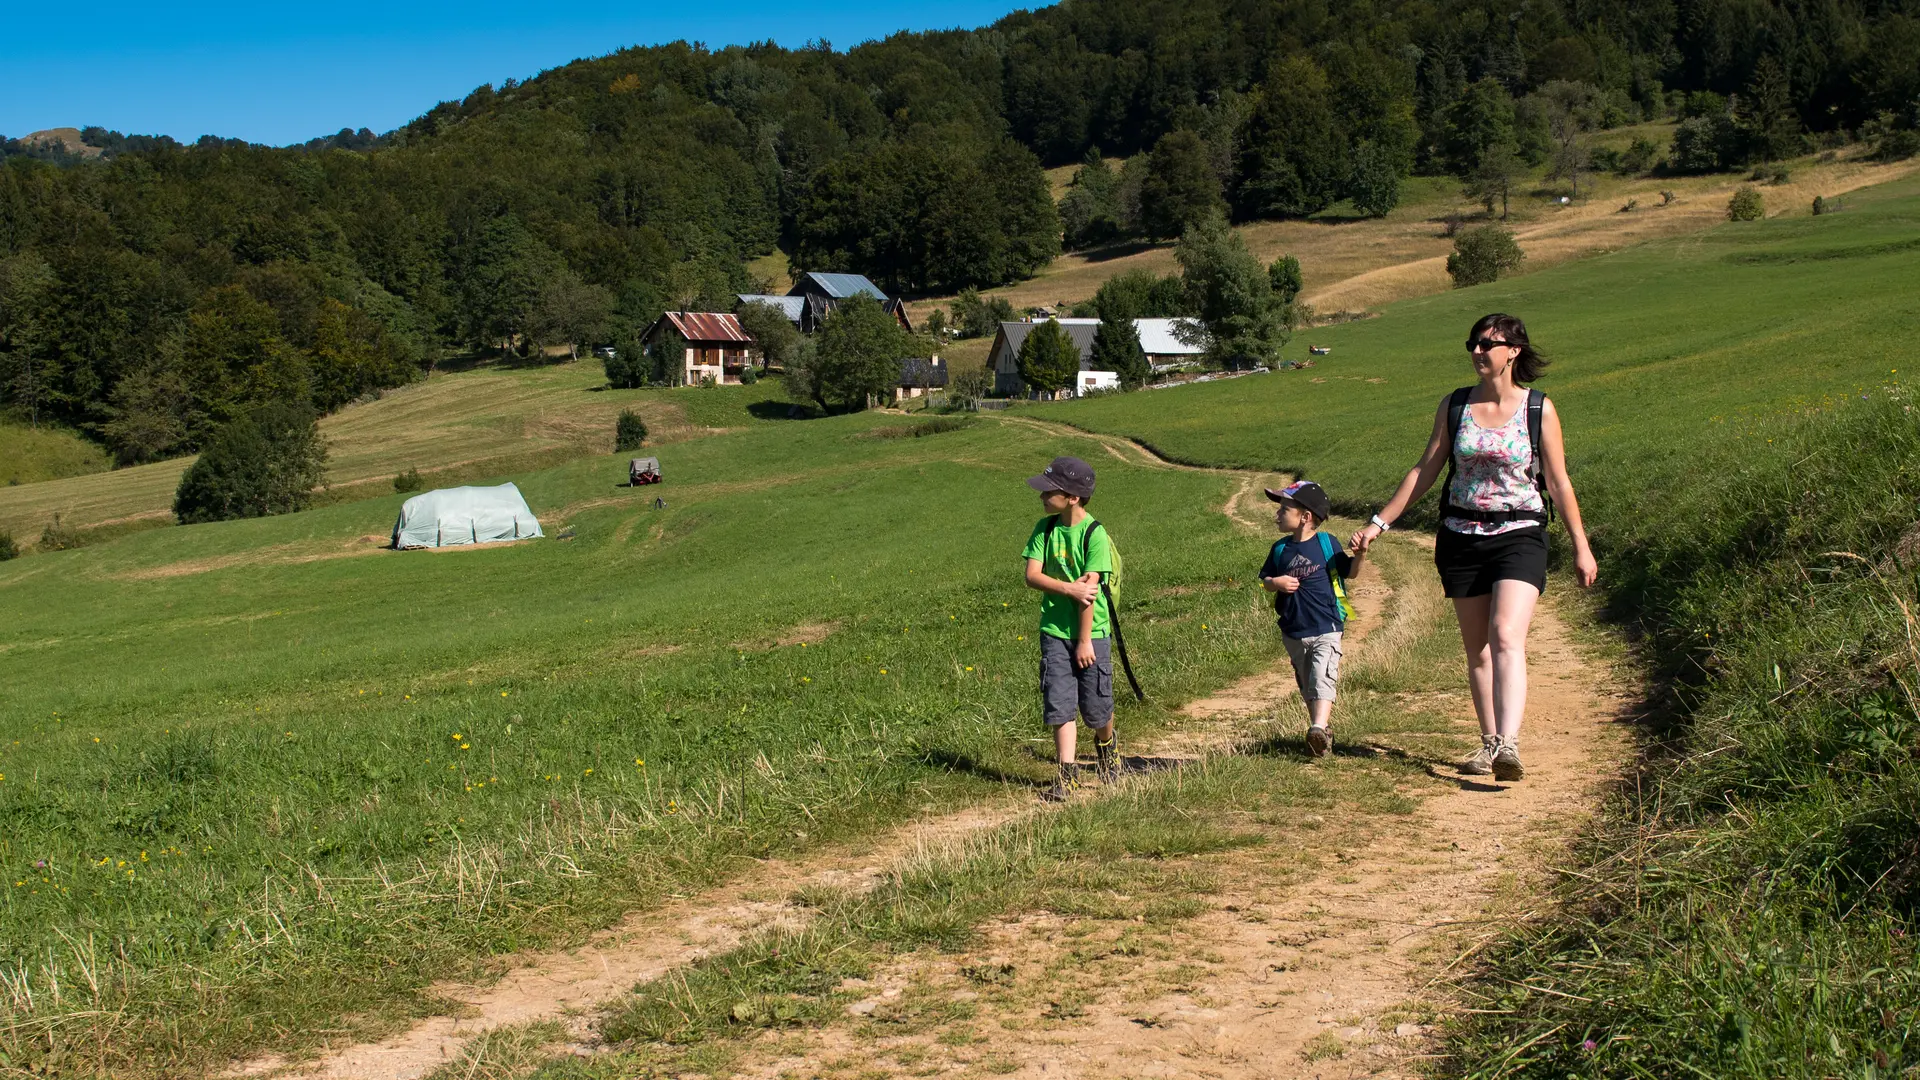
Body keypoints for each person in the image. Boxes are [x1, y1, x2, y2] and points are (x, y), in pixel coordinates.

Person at [1349, 314, 1597, 782]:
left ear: (1514, 351)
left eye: (1488, 343)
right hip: (1461, 536)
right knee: (1478, 649)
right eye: (1473, 344)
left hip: (1520, 533)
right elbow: (1424, 470)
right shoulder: (1456, 405)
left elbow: (1559, 482)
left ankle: (1509, 743)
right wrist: (1379, 523)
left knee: (1505, 634)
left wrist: (1581, 546)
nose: (1478, 351)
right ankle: (1489, 743)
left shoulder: (1538, 409)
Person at [1021, 455, 1119, 801]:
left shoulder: (1094, 534)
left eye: (1050, 491)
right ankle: (1068, 774)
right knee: (1059, 703)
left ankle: (1107, 745)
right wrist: (1067, 588)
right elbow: (1032, 576)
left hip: (1091, 634)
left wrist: (1084, 641)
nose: (1042, 496)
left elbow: (1089, 594)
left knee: (1096, 708)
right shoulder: (1044, 529)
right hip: (1054, 631)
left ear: (1073, 497)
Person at [1259, 481, 1364, 757]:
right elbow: (1266, 580)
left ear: (1305, 516)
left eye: (1284, 509)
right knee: (1308, 684)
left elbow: (1351, 572)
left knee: (1322, 676)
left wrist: (1361, 555)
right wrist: (1276, 582)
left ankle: (1317, 727)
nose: (1277, 514)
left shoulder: (1326, 543)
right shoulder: (1280, 549)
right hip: (1293, 629)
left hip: (1326, 624)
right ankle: (1320, 734)